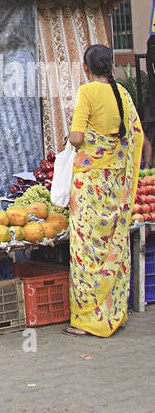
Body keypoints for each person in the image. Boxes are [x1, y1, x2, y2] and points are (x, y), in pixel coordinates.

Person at [65, 42, 144, 337]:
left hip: (90, 183)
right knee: (112, 244)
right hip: (115, 184)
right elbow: (134, 134)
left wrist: (72, 136)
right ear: (110, 66)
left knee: (86, 249)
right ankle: (113, 313)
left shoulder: (87, 92)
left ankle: (87, 320)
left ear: (86, 68)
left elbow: (76, 137)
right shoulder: (121, 93)